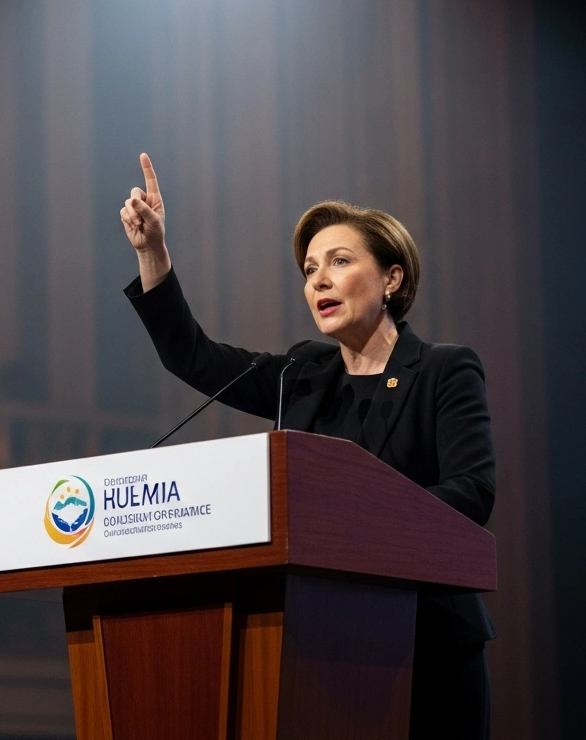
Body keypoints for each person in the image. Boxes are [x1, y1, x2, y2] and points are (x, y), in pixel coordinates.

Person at [120, 153, 494, 739]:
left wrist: (351, 522)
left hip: (424, 640)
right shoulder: (303, 371)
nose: (317, 279)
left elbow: (471, 492)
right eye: (309, 268)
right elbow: (195, 358)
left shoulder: (444, 369)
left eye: (339, 262)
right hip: (316, 643)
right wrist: (153, 255)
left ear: (392, 279)